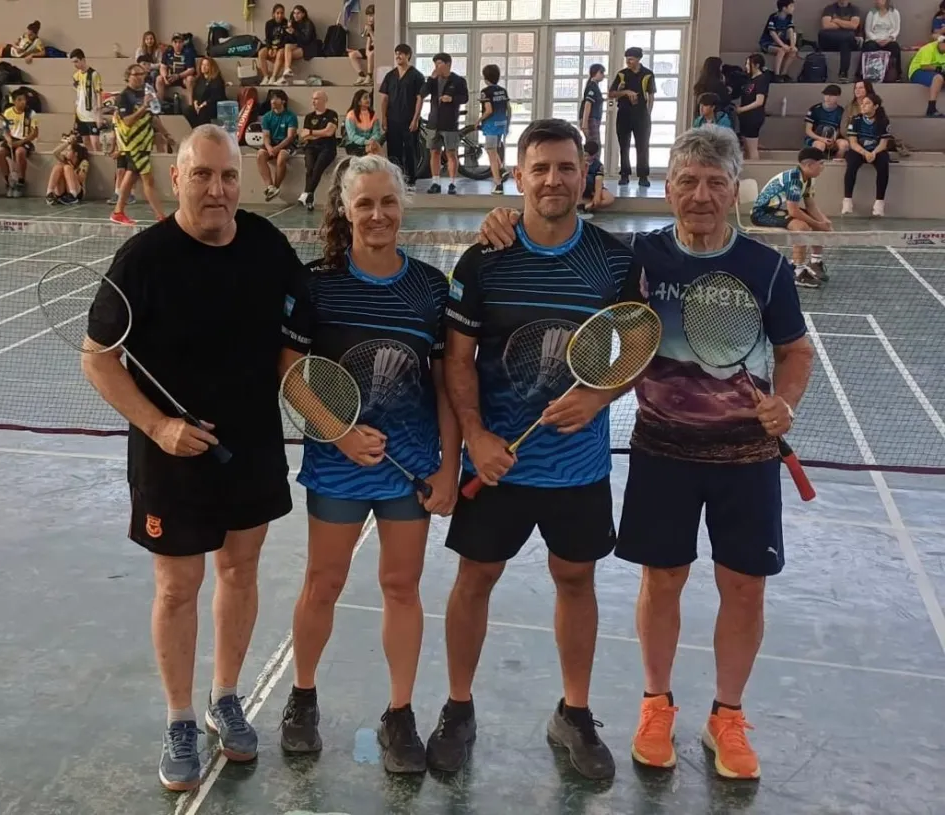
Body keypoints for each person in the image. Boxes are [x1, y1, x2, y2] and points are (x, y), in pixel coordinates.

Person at [466, 123, 816, 784]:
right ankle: (656, 703)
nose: (702, 195)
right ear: (668, 188)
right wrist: (500, 221)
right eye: (688, 181)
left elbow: (795, 350)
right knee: (663, 581)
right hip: (661, 450)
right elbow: (613, 337)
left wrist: (788, 401)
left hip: (746, 457)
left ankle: (728, 715)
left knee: (743, 587)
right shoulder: (640, 261)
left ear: (733, 188)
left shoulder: (766, 267)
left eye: (715, 182)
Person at [83, 124, 302, 792]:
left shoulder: (267, 244)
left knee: (240, 571)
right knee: (177, 588)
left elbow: (298, 332)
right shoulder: (143, 259)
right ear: (176, 178)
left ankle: (225, 695)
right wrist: (158, 425)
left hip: (253, 448)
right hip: (168, 460)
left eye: (228, 176)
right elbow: (98, 360)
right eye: (202, 175)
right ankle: (180, 716)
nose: (217, 189)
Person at [425, 119, 638, 782]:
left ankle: (574, 713)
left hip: (577, 464)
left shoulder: (613, 259)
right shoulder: (484, 259)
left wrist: (601, 399)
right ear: (518, 176)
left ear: (584, 175)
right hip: (497, 462)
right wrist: (478, 436)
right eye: (539, 167)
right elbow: (457, 361)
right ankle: (458, 708)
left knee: (576, 579)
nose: (552, 179)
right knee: (475, 579)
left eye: (565, 167)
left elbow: (635, 347)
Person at [277, 154, 459, 774]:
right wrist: (341, 432)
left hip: (411, 465)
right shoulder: (315, 284)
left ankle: (400, 713)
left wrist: (449, 466)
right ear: (345, 211)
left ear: (402, 207)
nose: (377, 215)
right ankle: (302, 698)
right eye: (364, 204)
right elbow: (291, 373)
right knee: (322, 584)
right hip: (338, 465)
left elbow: (447, 386)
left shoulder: (432, 289)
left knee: (401, 586)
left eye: (388, 203)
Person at [751, 146, 831, 288]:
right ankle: (798, 272)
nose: (823, 167)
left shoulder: (810, 178)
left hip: (781, 210)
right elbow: (793, 211)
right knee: (802, 227)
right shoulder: (795, 179)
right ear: (809, 165)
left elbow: (810, 204)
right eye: (821, 163)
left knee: (820, 222)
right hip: (763, 212)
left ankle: (815, 262)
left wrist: (824, 222)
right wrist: (818, 225)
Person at [110, 63, 167, 226]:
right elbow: (127, 121)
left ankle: (118, 212)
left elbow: (153, 117)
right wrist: (143, 106)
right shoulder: (124, 97)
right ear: (128, 77)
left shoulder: (146, 92)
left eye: (142, 74)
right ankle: (161, 217)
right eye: (137, 74)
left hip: (145, 142)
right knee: (148, 181)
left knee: (131, 176)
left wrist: (166, 134)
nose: (141, 77)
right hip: (133, 144)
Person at [379, 44, 425, 190]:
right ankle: (395, 180)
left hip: (409, 120)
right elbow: (385, 98)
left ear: (408, 56)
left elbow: (420, 98)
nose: (398, 56)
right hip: (392, 119)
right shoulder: (390, 76)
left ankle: (411, 181)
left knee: (410, 150)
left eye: (402, 54)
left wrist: (415, 119)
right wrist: (384, 118)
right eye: (397, 53)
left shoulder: (416, 76)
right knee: (394, 151)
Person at [422, 53, 469, 195]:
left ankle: (452, 183)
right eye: (435, 64)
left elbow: (465, 98)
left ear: (448, 64)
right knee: (434, 152)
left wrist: (452, 99)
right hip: (433, 122)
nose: (437, 66)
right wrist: (431, 79)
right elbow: (422, 93)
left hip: (450, 123)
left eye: (439, 63)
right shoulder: (433, 80)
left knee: (451, 153)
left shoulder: (458, 80)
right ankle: (435, 182)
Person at [609, 47, 655, 186]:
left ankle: (643, 176)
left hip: (641, 114)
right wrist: (625, 92)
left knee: (642, 146)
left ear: (638, 59)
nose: (628, 61)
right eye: (627, 59)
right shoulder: (622, 74)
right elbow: (611, 93)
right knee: (624, 145)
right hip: (624, 113)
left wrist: (648, 113)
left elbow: (651, 95)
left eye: (631, 59)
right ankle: (624, 174)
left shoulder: (648, 74)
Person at [843, 90, 891, 216]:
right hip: (859, 150)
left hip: (876, 151)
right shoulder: (855, 120)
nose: (863, 106)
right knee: (852, 164)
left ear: (875, 106)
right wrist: (865, 153)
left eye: (867, 104)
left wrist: (873, 153)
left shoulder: (883, 121)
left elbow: (883, 143)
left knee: (883, 165)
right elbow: (853, 143)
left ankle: (879, 203)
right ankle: (847, 200)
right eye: (862, 104)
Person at [297, 90, 339, 211]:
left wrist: (312, 132)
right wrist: (318, 133)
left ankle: (306, 192)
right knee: (310, 169)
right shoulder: (309, 117)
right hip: (311, 147)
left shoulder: (332, 114)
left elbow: (329, 132)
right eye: (313, 98)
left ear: (324, 100)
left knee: (318, 168)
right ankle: (310, 197)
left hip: (327, 147)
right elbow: (305, 135)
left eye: (316, 99)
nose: (313, 101)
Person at [257, 89, 298, 201]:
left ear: (283, 101)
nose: (273, 101)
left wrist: (277, 148)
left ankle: (276, 186)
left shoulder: (291, 116)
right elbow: (266, 136)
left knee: (281, 157)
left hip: (287, 144)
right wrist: (269, 147)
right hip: (273, 143)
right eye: (272, 99)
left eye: (276, 98)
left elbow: (290, 137)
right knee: (260, 155)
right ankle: (269, 186)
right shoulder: (266, 117)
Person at [0, 89, 39, 199]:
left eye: (24, 100)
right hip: (12, 139)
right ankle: (9, 181)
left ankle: (21, 181)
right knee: (0, 153)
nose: (23, 102)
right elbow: (5, 130)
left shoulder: (31, 113)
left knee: (20, 152)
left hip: (25, 140)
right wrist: (8, 139)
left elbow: (34, 133)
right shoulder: (7, 112)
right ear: (14, 101)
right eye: (19, 100)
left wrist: (21, 142)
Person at [478, 64, 510, 195]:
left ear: (485, 78)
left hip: (491, 125)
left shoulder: (486, 92)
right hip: (501, 123)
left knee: (491, 153)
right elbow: (509, 108)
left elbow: (489, 110)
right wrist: (508, 124)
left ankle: (498, 184)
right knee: (493, 149)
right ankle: (502, 168)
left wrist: (479, 120)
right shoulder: (503, 90)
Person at [819, 1, 863, 83]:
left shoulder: (854, 9)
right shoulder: (829, 8)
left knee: (845, 43)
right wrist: (846, 26)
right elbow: (826, 25)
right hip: (832, 40)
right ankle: (843, 74)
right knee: (823, 34)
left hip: (847, 42)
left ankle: (843, 73)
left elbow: (853, 25)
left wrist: (836, 20)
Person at [735, 54, 769, 160]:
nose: (746, 66)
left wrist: (742, 109)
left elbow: (759, 101)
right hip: (745, 117)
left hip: (754, 117)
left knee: (752, 148)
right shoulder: (750, 79)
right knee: (746, 148)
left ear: (757, 65)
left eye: (748, 64)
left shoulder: (761, 79)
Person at [70, 49, 103, 152]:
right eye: (73, 62)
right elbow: (78, 94)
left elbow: (98, 93)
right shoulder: (76, 75)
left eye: (76, 61)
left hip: (92, 114)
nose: (75, 64)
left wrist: (99, 115)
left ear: (83, 60)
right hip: (80, 114)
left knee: (96, 143)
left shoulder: (94, 74)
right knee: (85, 142)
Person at [45, 132, 90, 206]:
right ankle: (49, 193)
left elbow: (81, 179)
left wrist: (70, 171)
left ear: (75, 153)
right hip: (62, 191)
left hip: (77, 191)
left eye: (68, 150)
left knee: (67, 168)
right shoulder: (65, 160)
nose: (65, 153)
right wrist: (68, 142)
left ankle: (73, 196)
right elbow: (55, 152)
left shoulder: (83, 162)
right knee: (58, 166)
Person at [861, 0, 901, 82]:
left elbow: (896, 29)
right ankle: (869, 73)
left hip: (888, 39)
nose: (878, 1)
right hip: (874, 39)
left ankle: (896, 74)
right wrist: (876, 39)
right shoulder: (872, 13)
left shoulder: (894, 12)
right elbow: (868, 31)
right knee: (869, 46)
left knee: (895, 46)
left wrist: (890, 38)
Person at [804, 84, 849, 157]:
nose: (828, 97)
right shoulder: (815, 109)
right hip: (816, 139)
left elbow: (839, 129)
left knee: (844, 144)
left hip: (832, 139)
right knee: (820, 145)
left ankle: (835, 163)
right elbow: (808, 130)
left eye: (831, 95)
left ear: (838, 96)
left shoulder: (841, 111)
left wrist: (833, 140)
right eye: (826, 95)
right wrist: (822, 139)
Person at [759, 0, 799, 82]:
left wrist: (792, 45)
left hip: (781, 43)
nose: (793, 8)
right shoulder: (773, 17)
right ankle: (776, 75)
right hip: (768, 43)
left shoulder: (789, 17)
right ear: (784, 8)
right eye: (791, 6)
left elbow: (790, 30)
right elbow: (772, 33)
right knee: (781, 51)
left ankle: (783, 74)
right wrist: (782, 45)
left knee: (793, 51)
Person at [279, 6, 321, 83]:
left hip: (309, 47)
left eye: (298, 13)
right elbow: (290, 41)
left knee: (286, 56)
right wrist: (289, 30)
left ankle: (284, 77)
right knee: (287, 46)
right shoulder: (294, 23)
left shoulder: (308, 23)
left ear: (303, 14)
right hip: (299, 45)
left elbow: (306, 40)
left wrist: (294, 32)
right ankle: (287, 70)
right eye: (294, 13)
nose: (296, 15)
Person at [908, 36, 945, 118]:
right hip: (917, 72)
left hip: (935, 72)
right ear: (941, 42)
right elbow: (924, 66)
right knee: (938, 78)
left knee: (939, 77)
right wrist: (939, 69)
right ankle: (931, 109)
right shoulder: (928, 48)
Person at [186, 57, 227, 128]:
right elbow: (195, 93)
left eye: (206, 65)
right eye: (202, 64)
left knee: (203, 112)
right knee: (189, 110)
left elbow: (216, 96)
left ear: (211, 67)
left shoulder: (217, 80)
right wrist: (195, 103)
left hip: (213, 105)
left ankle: (202, 132)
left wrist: (203, 105)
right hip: (200, 105)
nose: (203, 67)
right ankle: (194, 130)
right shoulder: (199, 79)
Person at [157, 34, 197, 103]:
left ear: (183, 43)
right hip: (171, 77)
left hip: (183, 78)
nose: (177, 44)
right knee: (159, 79)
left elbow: (191, 70)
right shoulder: (168, 52)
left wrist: (178, 76)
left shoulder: (188, 52)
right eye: (175, 42)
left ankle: (190, 106)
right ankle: (160, 104)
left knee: (190, 79)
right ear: (172, 43)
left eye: (180, 42)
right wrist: (164, 77)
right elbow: (163, 66)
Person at [345, 89, 383, 157]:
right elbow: (352, 136)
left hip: (370, 144)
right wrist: (366, 142)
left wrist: (371, 141)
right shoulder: (351, 115)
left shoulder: (373, 114)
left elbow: (377, 133)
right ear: (359, 102)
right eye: (365, 98)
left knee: (374, 148)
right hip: (354, 144)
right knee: (370, 151)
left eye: (369, 97)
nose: (368, 100)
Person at [579, 138, 614, 214]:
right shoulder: (579, 162)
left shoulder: (598, 165)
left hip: (594, 188)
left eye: (589, 156)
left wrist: (597, 196)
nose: (586, 158)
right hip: (580, 187)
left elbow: (598, 182)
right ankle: (580, 204)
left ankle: (587, 206)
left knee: (609, 198)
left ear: (594, 155)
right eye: (585, 155)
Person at [259, 4, 290, 86]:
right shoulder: (269, 23)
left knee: (280, 54)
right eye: (277, 13)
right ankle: (265, 77)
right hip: (271, 46)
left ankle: (273, 77)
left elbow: (286, 40)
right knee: (261, 53)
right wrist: (269, 48)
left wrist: (276, 49)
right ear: (273, 14)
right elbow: (268, 38)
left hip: (281, 46)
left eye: (282, 13)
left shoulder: (286, 23)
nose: (280, 15)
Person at [579, 63, 606, 146]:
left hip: (594, 119)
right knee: (594, 145)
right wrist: (585, 123)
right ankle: (591, 159)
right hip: (591, 119)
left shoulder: (595, 86)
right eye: (601, 72)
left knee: (593, 144)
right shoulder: (592, 87)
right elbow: (588, 104)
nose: (603, 75)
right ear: (594, 73)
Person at [348, 4, 376, 86]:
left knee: (371, 54)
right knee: (352, 54)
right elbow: (368, 40)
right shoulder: (369, 26)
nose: (369, 18)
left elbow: (378, 42)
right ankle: (361, 75)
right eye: (368, 16)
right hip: (371, 48)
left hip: (378, 49)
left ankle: (370, 77)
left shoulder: (379, 27)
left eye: (371, 16)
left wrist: (371, 32)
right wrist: (367, 50)